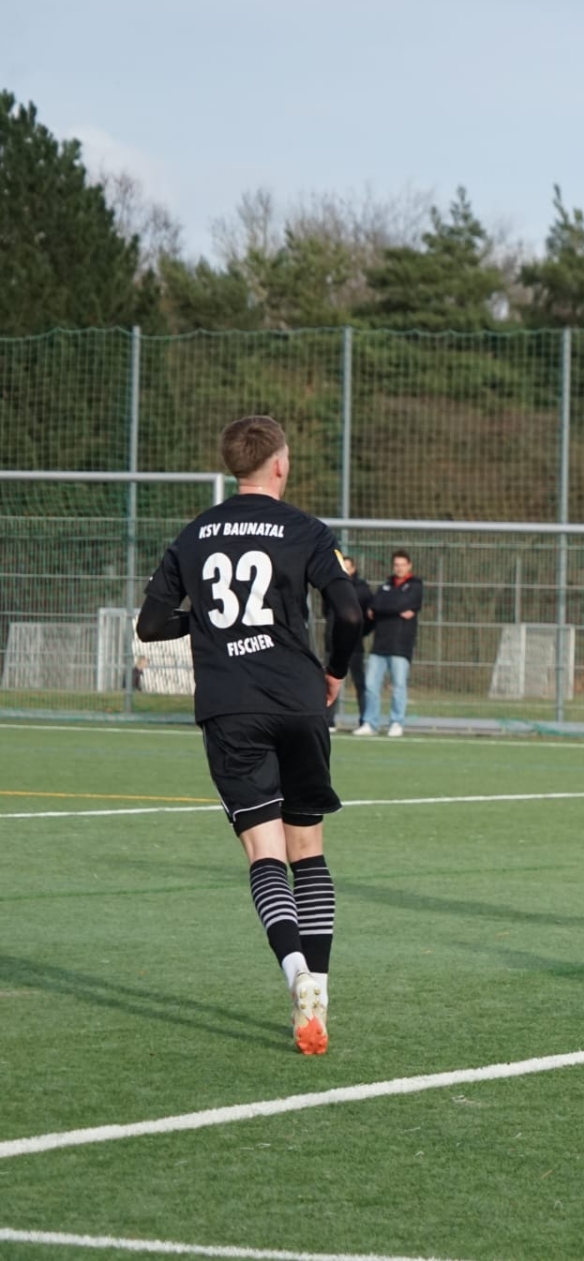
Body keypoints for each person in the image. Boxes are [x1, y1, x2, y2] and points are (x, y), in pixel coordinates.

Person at [135, 414, 363, 1055]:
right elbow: (349, 612)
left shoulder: (194, 533)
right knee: (307, 852)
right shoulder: (305, 529)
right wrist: (335, 672)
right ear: (281, 463)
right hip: (298, 699)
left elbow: (151, 625)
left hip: (230, 707)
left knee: (265, 855)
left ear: (233, 465)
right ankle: (319, 990)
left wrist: (207, 626)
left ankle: (295, 977)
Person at [357, 550, 422, 738]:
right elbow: (375, 605)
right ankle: (370, 723)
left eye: (402, 565)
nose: (399, 568)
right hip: (379, 645)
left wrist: (382, 608)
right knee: (370, 685)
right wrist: (390, 608)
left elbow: (399, 603)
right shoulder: (385, 586)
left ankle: (396, 723)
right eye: (396, 565)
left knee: (398, 687)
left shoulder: (415, 585)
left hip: (400, 646)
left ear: (409, 565)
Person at [323, 553, 373, 733]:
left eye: (347, 567)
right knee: (329, 683)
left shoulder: (362, 589)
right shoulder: (330, 586)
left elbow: (368, 618)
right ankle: (329, 721)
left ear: (353, 569)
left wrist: (358, 633)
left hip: (354, 646)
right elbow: (326, 612)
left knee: (359, 683)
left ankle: (365, 721)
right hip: (332, 645)